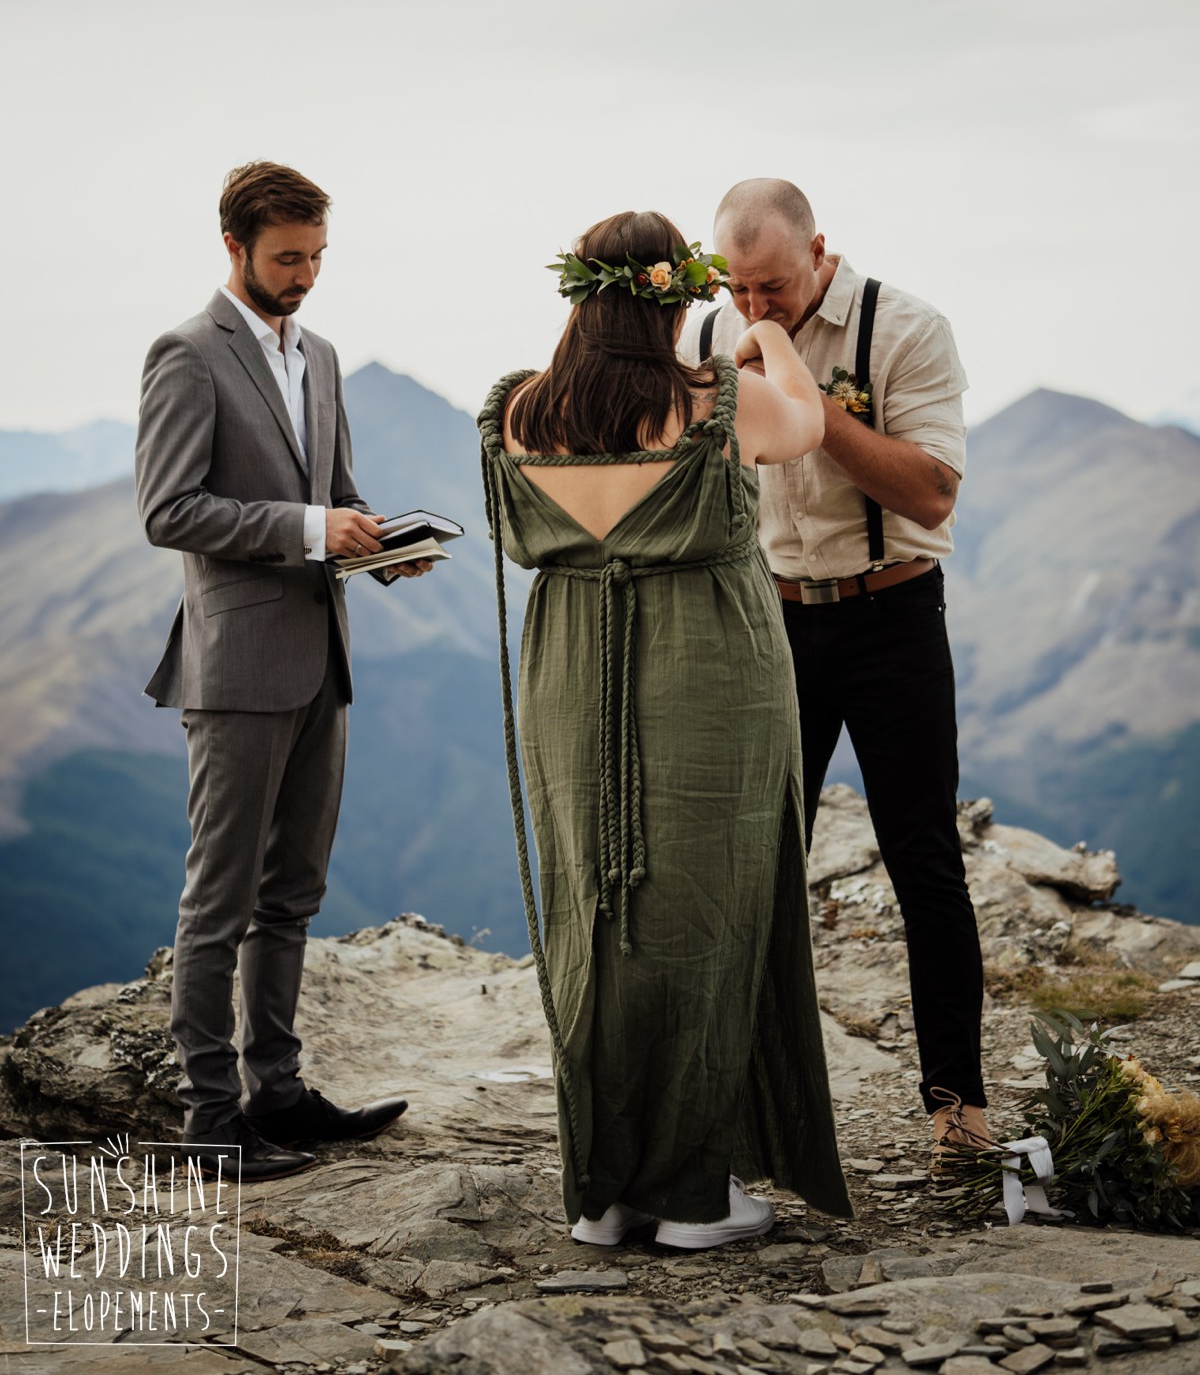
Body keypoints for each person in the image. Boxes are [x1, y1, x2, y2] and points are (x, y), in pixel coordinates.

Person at [478, 212, 851, 1250]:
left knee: (591, 910)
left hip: (567, 675)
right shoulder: (710, 402)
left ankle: (602, 1194)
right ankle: (695, 1195)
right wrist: (765, 334)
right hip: (706, 676)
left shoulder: (518, 412)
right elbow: (809, 427)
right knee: (706, 915)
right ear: (676, 297)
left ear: (581, 299)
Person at [136, 160, 431, 1181]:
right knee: (217, 904)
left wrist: (382, 548)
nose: (304, 277)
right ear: (235, 248)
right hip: (235, 667)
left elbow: (332, 497)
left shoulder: (324, 356)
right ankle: (211, 1127)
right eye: (286, 259)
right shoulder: (185, 355)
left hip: (323, 657)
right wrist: (312, 528)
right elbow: (167, 510)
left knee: (292, 895)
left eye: (316, 258)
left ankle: (283, 1095)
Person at [680, 177, 986, 1153]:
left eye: (773, 287)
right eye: (738, 289)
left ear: (820, 252)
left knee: (923, 861)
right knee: (757, 865)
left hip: (891, 611)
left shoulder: (904, 329)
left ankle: (959, 1107)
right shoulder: (708, 334)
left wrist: (817, 416)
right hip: (772, 625)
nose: (756, 308)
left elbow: (934, 495)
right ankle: (741, 1104)